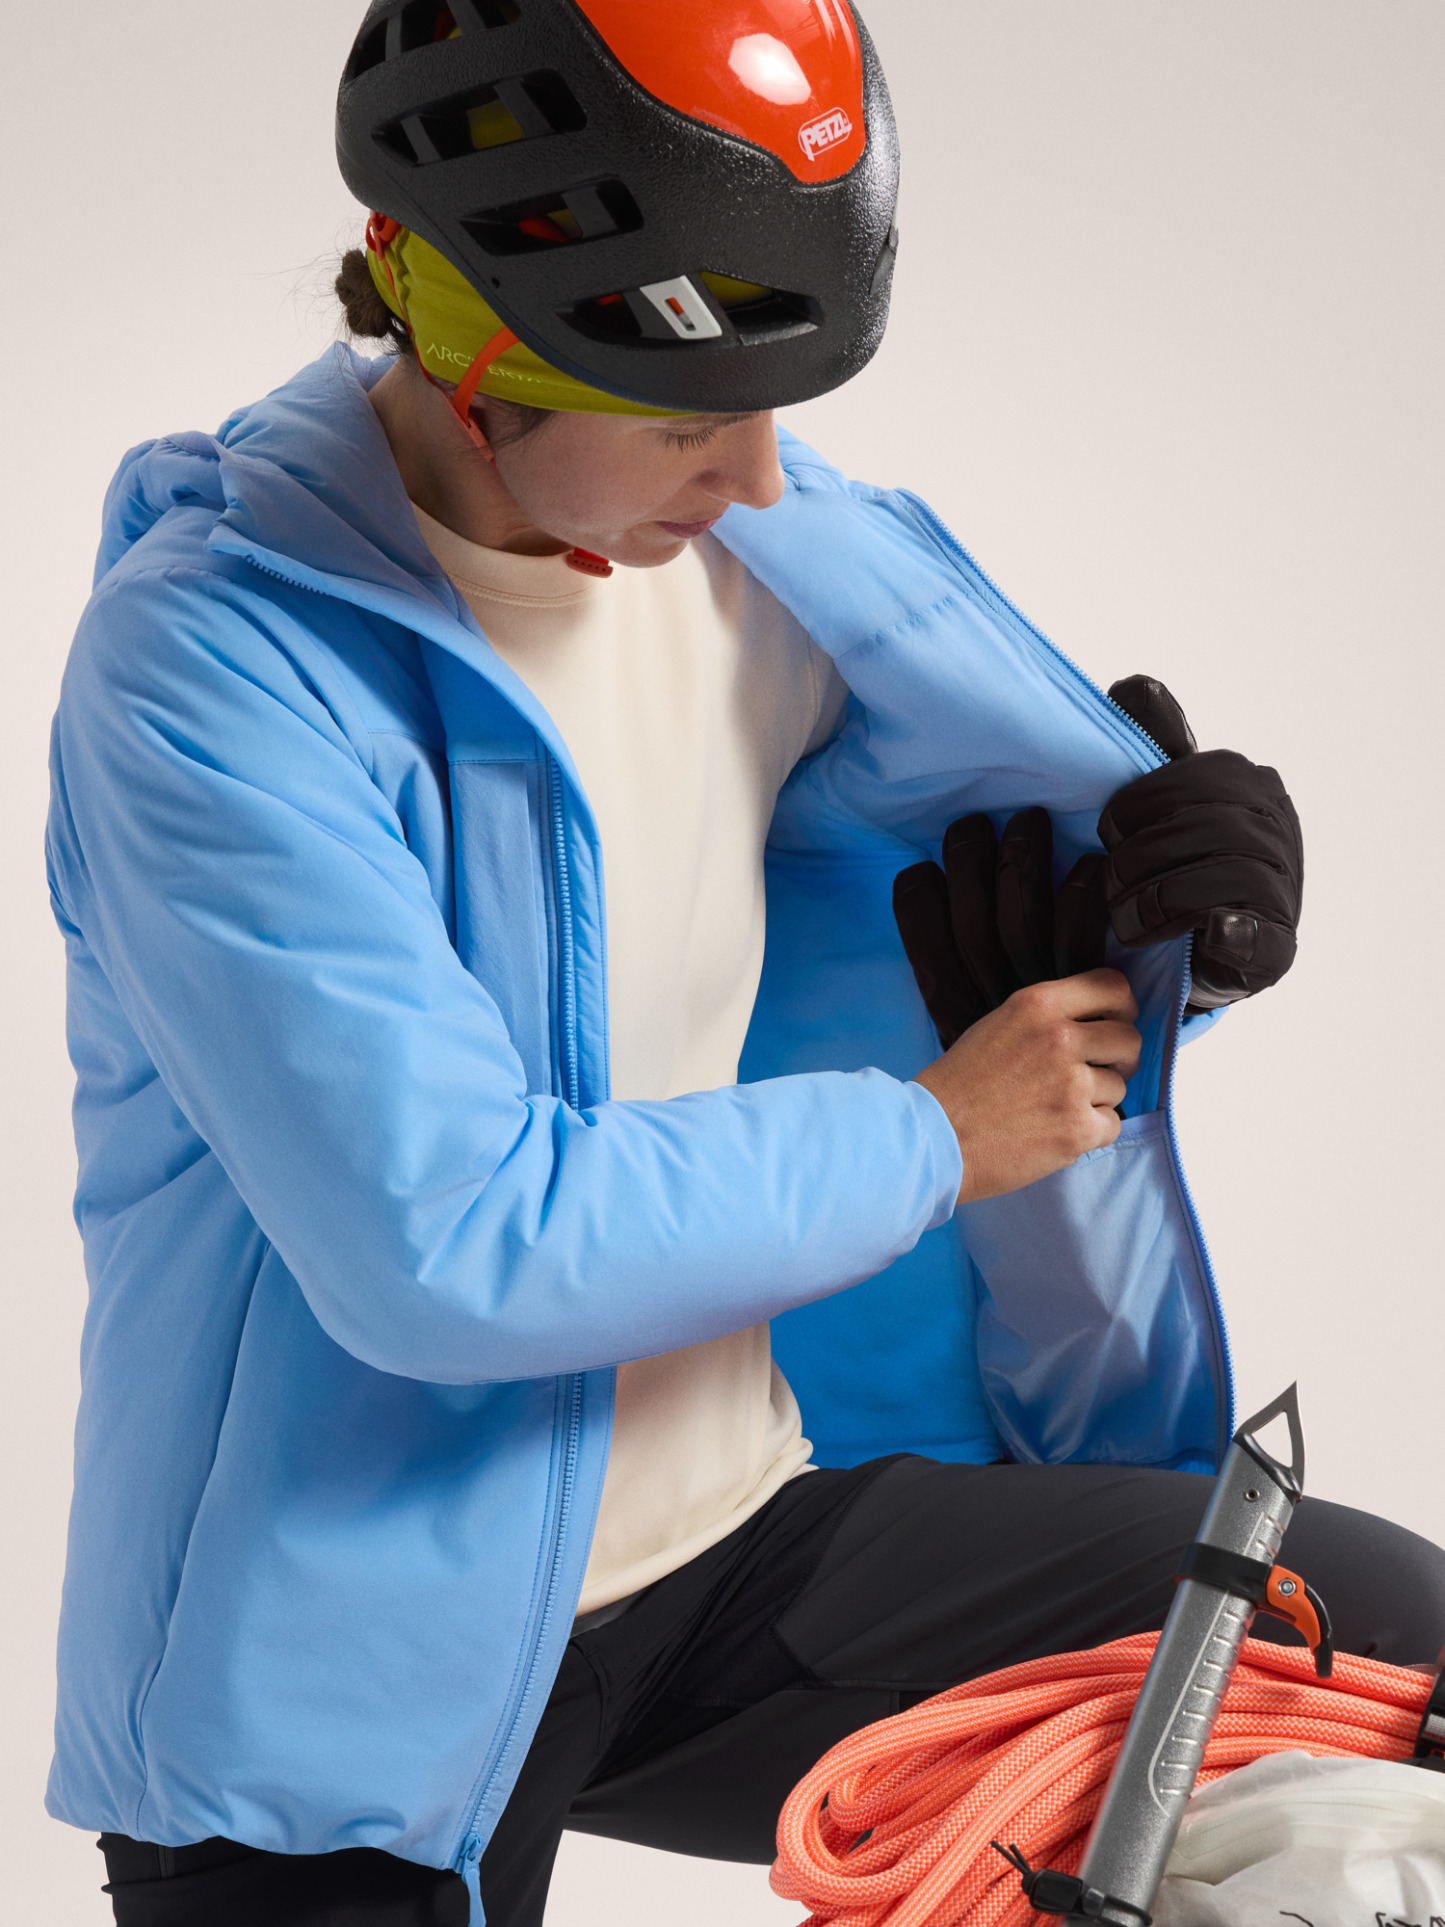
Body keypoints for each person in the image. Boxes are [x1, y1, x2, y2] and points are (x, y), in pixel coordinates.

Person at [44, 3, 1444, 1924]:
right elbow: (441, 1241)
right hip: (342, 1655)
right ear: (481, 361)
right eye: (694, 419)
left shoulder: (765, 578)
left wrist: (1173, 928)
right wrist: (935, 1134)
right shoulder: (210, 670)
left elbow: (943, 884)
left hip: (734, 1566)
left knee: (1365, 1638)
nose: (766, 475)